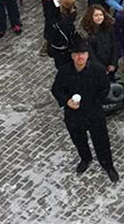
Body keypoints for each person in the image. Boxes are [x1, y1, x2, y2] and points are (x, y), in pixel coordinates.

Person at [50, 38, 119, 182]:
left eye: (83, 53)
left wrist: (96, 102)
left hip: (94, 112)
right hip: (73, 114)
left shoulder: (97, 70)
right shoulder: (64, 71)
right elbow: (56, 89)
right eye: (77, 54)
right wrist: (67, 101)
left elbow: (105, 88)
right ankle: (85, 158)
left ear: (87, 55)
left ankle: (107, 165)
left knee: (101, 141)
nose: (80, 57)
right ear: (72, 56)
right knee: (78, 139)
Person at [79, 5, 118, 80]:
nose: (99, 17)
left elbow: (115, 45)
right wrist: (101, 68)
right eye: (96, 15)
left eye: (101, 15)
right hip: (96, 68)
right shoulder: (87, 33)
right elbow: (90, 53)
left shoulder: (109, 27)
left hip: (110, 65)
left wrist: (113, 63)